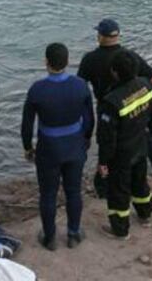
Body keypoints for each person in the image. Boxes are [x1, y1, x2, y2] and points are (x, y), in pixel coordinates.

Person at [78, 18, 152, 200]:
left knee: (107, 148)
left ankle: (104, 189)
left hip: (109, 110)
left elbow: (80, 88)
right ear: (118, 35)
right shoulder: (129, 57)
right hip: (138, 109)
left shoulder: (89, 59)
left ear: (100, 36)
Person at [21, 43, 95, 251]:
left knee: (48, 194)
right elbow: (89, 118)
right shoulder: (80, 85)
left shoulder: (37, 89)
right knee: (73, 191)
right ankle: (73, 234)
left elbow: (27, 123)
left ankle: (50, 237)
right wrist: (86, 138)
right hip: (74, 145)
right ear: (68, 61)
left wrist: (28, 147)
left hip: (49, 149)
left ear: (46, 62)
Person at [96, 49, 152, 240]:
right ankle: (145, 213)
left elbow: (106, 138)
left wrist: (103, 162)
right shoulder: (146, 86)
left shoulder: (111, 102)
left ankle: (120, 229)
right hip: (140, 145)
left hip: (121, 155)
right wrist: (150, 126)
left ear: (114, 72)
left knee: (119, 191)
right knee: (140, 181)